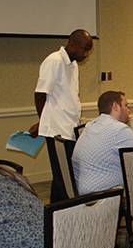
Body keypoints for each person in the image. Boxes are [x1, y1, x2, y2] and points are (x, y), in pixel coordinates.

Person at [30, 29, 94, 203]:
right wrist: (43, 120)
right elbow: (41, 94)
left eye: (88, 50)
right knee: (64, 179)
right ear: (71, 44)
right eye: (83, 49)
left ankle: (55, 216)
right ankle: (63, 216)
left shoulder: (72, 65)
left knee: (63, 177)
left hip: (69, 128)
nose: (86, 54)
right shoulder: (54, 61)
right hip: (58, 131)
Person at [72, 91, 133, 195]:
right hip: (105, 198)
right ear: (116, 106)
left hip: (84, 195)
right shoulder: (119, 130)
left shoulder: (90, 127)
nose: (128, 110)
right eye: (126, 106)